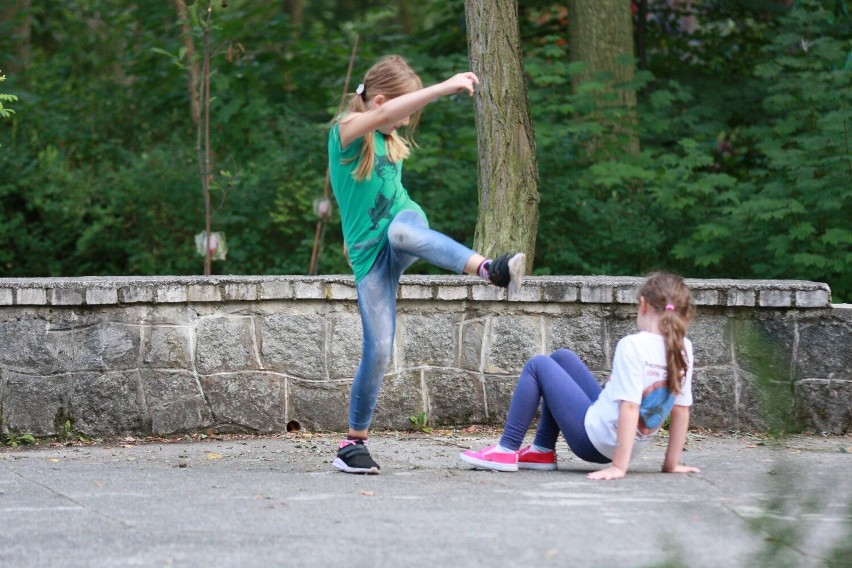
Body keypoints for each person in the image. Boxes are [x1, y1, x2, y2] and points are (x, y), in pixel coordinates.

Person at [328, 55, 527, 474]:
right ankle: (353, 444)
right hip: (370, 259)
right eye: (405, 113)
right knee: (379, 348)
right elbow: (384, 114)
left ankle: (490, 269)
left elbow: (388, 120)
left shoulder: (388, 140)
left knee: (401, 233)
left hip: (406, 223)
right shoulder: (344, 132)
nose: (403, 123)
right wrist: (444, 86)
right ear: (382, 101)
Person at [460, 272, 700, 480]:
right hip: (624, 443)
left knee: (538, 365)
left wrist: (618, 466)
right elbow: (681, 410)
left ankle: (506, 449)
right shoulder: (683, 348)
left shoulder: (632, 345)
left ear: (644, 305)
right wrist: (670, 464)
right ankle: (542, 450)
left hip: (595, 442)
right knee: (562, 358)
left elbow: (630, 407)